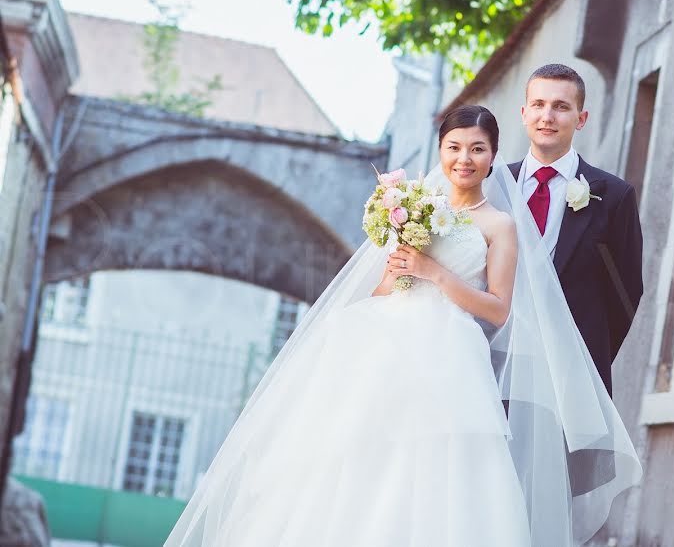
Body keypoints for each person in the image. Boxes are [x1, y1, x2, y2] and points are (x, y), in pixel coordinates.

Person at [164, 106, 640, 547]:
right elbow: (386, 290)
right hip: (387, 347)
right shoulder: (411, 206)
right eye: (454, 147)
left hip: (452, 355)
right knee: (357, 459)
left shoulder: (501, 226)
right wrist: (397, 273)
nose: (465, 159)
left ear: (494, 155)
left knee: (438, 469)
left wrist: (435, 272)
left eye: (477, 148)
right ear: (441, 151)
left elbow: (497, 309)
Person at [510, 64, 644, 397]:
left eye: (561, 107)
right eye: (539, 105)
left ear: (580, 119)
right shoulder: (494, 186)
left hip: (570, 376)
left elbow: (626, 292)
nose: (547, 116)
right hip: (497, 362)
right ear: (524, 114)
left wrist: (586, 356)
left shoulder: (614, 196)